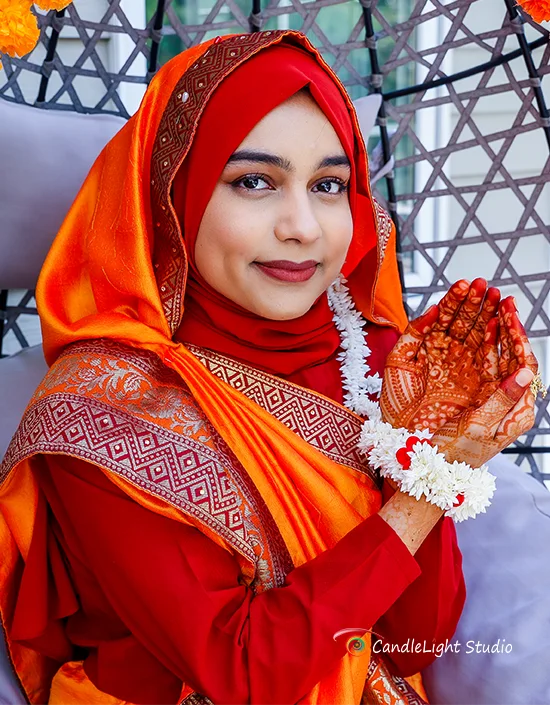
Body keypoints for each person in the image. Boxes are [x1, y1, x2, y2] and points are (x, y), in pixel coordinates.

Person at [0, 29, 537, 705]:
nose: (303, 225)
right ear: (176, 196)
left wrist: (435, 444)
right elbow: (248, 673)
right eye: (254, 180)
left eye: (329, 184)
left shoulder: (368, 360)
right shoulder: (105, 409)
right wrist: (426, 492)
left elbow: (412, 639)